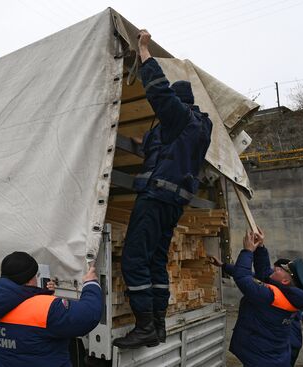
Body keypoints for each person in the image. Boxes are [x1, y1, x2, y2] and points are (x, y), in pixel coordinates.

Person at [113, 29, 213, 349]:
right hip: (173, 203)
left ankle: (144, 325)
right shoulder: (196, 130)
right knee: (156, 261)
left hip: (156, 197)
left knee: (134, 259)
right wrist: (150, 143)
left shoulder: (180, 118)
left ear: (177, 105)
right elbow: (169, 152)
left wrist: (143, 51)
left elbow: (158, 91)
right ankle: (157, 326)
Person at [0, 251, 102, 367]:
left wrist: (42, 294)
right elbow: (88, 315)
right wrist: (91, 284)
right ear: (30, 278)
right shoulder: (47, 309)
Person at [210, 228, 303, 367]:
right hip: (273, 356)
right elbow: (262, 273)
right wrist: (260, 247)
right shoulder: (289, 294)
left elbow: (243, 278)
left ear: (285, 281)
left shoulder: (270, 296)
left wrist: (248, 251)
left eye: (282, 269)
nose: (276, 268)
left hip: (262, 359)